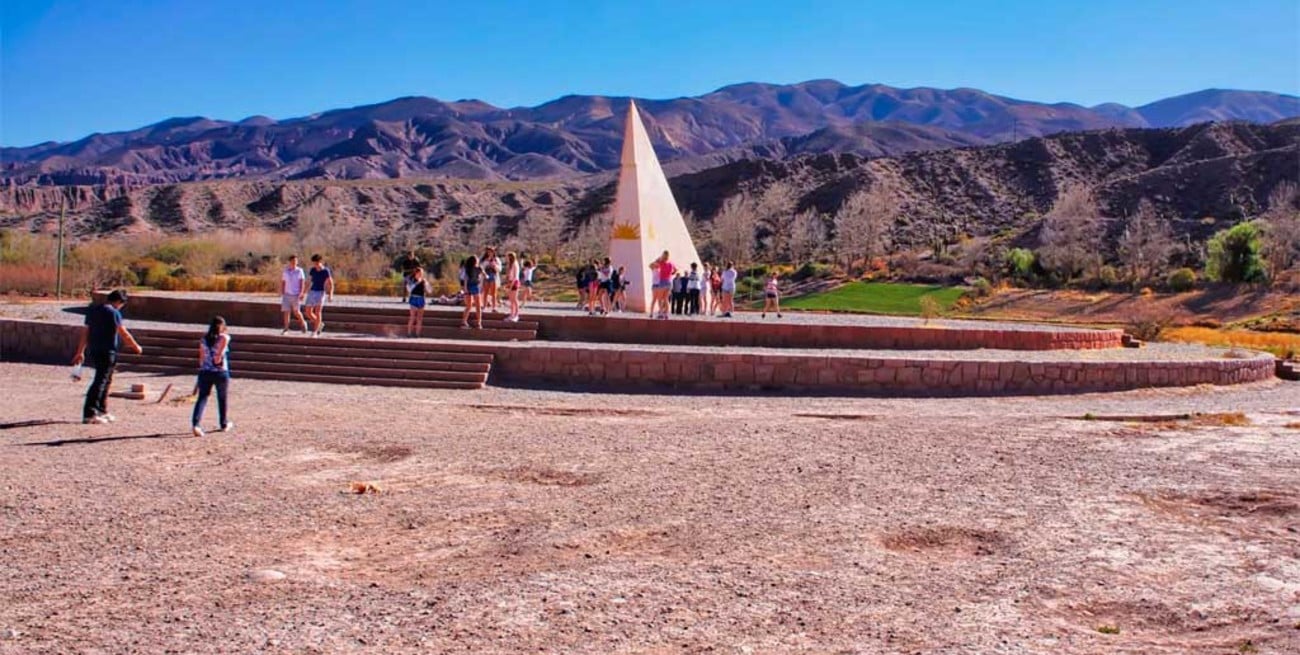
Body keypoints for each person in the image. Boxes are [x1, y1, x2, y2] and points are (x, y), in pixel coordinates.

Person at [71, 289, 142, 425]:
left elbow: (85, 332)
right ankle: (90, 413)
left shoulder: (93, 311)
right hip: (107, 351)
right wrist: (136, 346)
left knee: (106, 380)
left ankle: (102, 410)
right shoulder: (113, 313)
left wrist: (80, 351)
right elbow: (123, 332)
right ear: (119, 302)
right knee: (101, 381)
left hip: (95, 349)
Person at [191, 316, 234, 437]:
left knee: (202, 398)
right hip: (220, 371)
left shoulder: (204, 339)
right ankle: (223, 423)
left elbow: (201, 358)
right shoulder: (224, 337)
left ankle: (196, 424)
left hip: (205, 371)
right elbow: (219, 355)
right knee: (222, 398)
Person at [304, 253, 334, 337]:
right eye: (314, 263)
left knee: (318, 312)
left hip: (320, 292)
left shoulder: (325, 271)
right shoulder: (313, 270)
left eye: (317, 262)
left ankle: (315, 331)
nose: (315, 264)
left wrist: (330, 294)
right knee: (308, 312)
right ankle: (319, 324)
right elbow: (309, 281)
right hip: (312, 291)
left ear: (320, 262)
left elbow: (330, 283)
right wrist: (304, 292)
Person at [280, 254, 308, 334]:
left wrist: (301, 292)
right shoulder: (286, 271)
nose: (294, 262)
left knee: (296, 312)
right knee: (286, 312)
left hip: (296, 294)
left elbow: (302, 282)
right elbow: (283, 282)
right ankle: (286, 328)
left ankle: (303, 323)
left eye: (295, 261)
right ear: (290, 261)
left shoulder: (299, 271)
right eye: (292, 261)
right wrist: (282, 292)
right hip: (287, 294)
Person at [649, 251, 675, 319]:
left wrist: (659, 258)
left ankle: (660, 313)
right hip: (669, 282)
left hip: (662, 282)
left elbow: (652, 264)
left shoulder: (661, 263)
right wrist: (671, 273)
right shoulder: (671, 263)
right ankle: (666, 314)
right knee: (666, 299)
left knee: (659, 299)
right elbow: (675, 270)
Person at [461, 256, 484, 329]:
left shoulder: (478, 268)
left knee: (477, 305)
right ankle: (465, 322)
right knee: (470, 305)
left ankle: (478, 322)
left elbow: (483, 275)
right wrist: (465, 289)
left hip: (474, 286)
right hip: (471, 286)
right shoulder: (468, 269)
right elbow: (465, 279)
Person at [407, 267, 429, 337]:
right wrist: (417, 283)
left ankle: (417, 334)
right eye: (419, 273)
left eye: (422, 273)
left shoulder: (424, 281)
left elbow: (430, 290)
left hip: (421, 299)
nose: (421, 275)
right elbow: (409, 289)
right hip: (414, 298)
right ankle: (409, 333)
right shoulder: (411, 280)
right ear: (416, 273)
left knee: (419, 318)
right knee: (412, 317)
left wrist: (426, 285)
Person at [481, 247, 502, 313]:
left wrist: (494, 266)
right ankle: (484, 306)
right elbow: (481, 267)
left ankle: (494, 307)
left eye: (491, 252)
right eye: (488, 252)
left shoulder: (496, 259)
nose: (489, 253)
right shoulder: (484, 259)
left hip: (494, 276)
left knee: (494, 292)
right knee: (485, 292)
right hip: (486, 276)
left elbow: (499, 269)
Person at [504, 251, 522, 322]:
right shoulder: (509, 264)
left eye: (508, 257)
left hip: (514, 282)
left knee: (514, 299)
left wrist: (511, 286)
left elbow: (515, 276)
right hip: (510, 282)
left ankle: (516, 315)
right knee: (511, 300)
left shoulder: (515, 264)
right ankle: (512, 314)